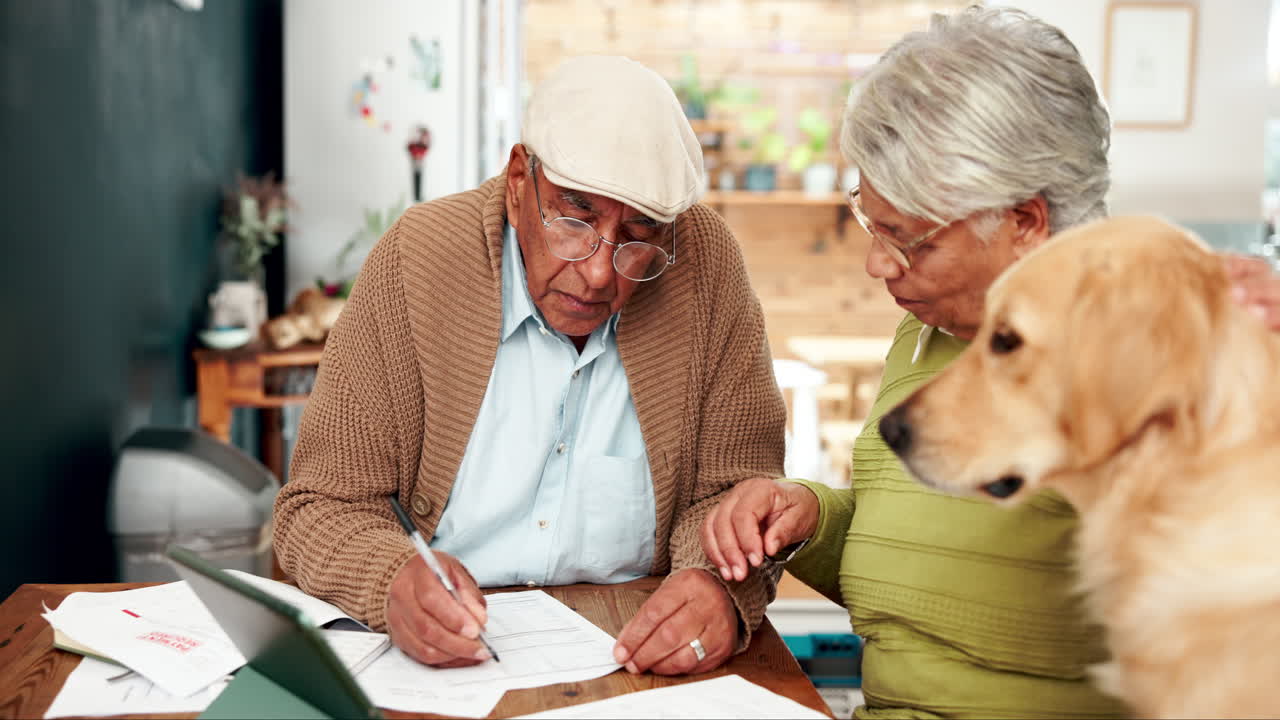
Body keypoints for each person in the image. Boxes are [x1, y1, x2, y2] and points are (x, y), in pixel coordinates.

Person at [701, 7, 1280, 718]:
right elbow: (932, 566)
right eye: (870, 221)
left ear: (1023, 221)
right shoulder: (928, 332)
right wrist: (813, 519)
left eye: (907, 238)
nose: (877, 263)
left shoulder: (1146, 349)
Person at [274, 55, 786, 676]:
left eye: (637, 235)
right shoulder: (418, 262)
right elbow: (319, 508)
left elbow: (739, 495)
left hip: (634, 659)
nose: (598, 273)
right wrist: (392, 579)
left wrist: (719, 588)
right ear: (519, 182)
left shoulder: (705, 268)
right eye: (574, 219)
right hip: (443, 662)